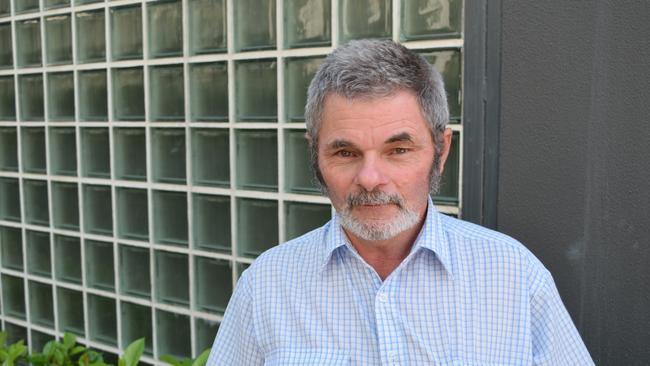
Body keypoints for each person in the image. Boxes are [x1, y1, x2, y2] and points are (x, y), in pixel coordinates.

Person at [207, 39, 594, 365]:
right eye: (345, 153)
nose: (370, 179)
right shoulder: (266, 285)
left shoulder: (516, 277)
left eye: (399, 149)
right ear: (315, 157)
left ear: (440, 152)